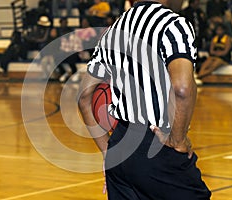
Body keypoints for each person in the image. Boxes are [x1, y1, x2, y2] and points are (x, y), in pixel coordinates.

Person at [78, 0, 211, 199]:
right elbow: (182, 88)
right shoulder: (173, 25)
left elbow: (83, 97)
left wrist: (108, 153)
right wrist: (178, 139)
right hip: (156, 146)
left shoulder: (113, 30)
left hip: (119, 144)